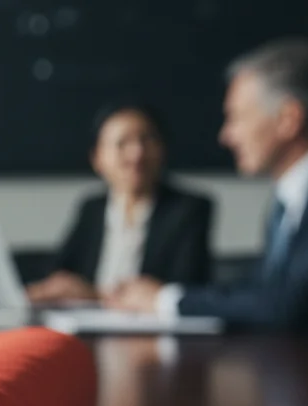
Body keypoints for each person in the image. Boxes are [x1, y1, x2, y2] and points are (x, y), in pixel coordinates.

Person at [110, 41, 308, 357]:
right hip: (301, 378)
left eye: (236, 118)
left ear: (288, 119)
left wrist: (167, 299)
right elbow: (262, 291)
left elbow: (287, 304)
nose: (226, 135)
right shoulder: (293, 196)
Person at [27, 102, 213, 302]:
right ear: (98, 158)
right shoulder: (92, 208)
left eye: (147, 140)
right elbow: (62, 274)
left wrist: (95, 295)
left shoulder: (188, 209)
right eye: (122, 143)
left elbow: (183, 291)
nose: (136, 154)